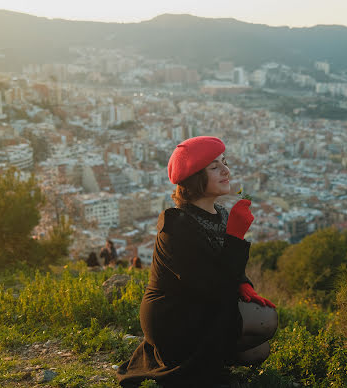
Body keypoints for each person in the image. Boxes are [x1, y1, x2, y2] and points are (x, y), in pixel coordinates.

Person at [116, 136, 277, 387]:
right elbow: (212, 287)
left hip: (201, 307)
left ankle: (202, 362)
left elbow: (224, 269)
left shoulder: (220, 214)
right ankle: (191, 365)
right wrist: (235, 237)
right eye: (214, 167)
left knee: (258, 350)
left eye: (224, 162)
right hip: (173, 317)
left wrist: (243, 284)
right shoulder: (175, 224)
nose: (226, 171)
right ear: (194, 178)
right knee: (265, 320)